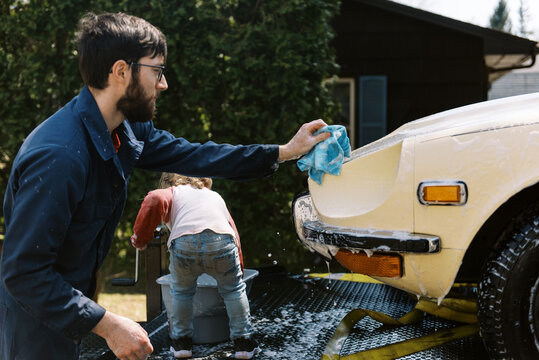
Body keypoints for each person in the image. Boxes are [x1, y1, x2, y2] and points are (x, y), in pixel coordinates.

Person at [0, 11, 329, 360]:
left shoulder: (123, 130)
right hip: (35, 324)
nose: (163, 84)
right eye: (156, 71)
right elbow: (24, 274)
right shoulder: (60, 156)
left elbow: (198, 157)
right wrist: (107, 324)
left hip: (71, 305)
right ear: (121, 72)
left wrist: (284, 152)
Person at [131, 173, 257, 359]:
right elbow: (233, 232)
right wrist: (239, 267)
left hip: (185, 243)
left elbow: (155, 198)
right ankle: (243, 345)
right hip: (222, 240)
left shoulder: (173, 192)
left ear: (168, 181)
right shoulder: (214, 196)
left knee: (181, 292)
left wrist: (140, 239)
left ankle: (182, 344)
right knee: (233, 290)